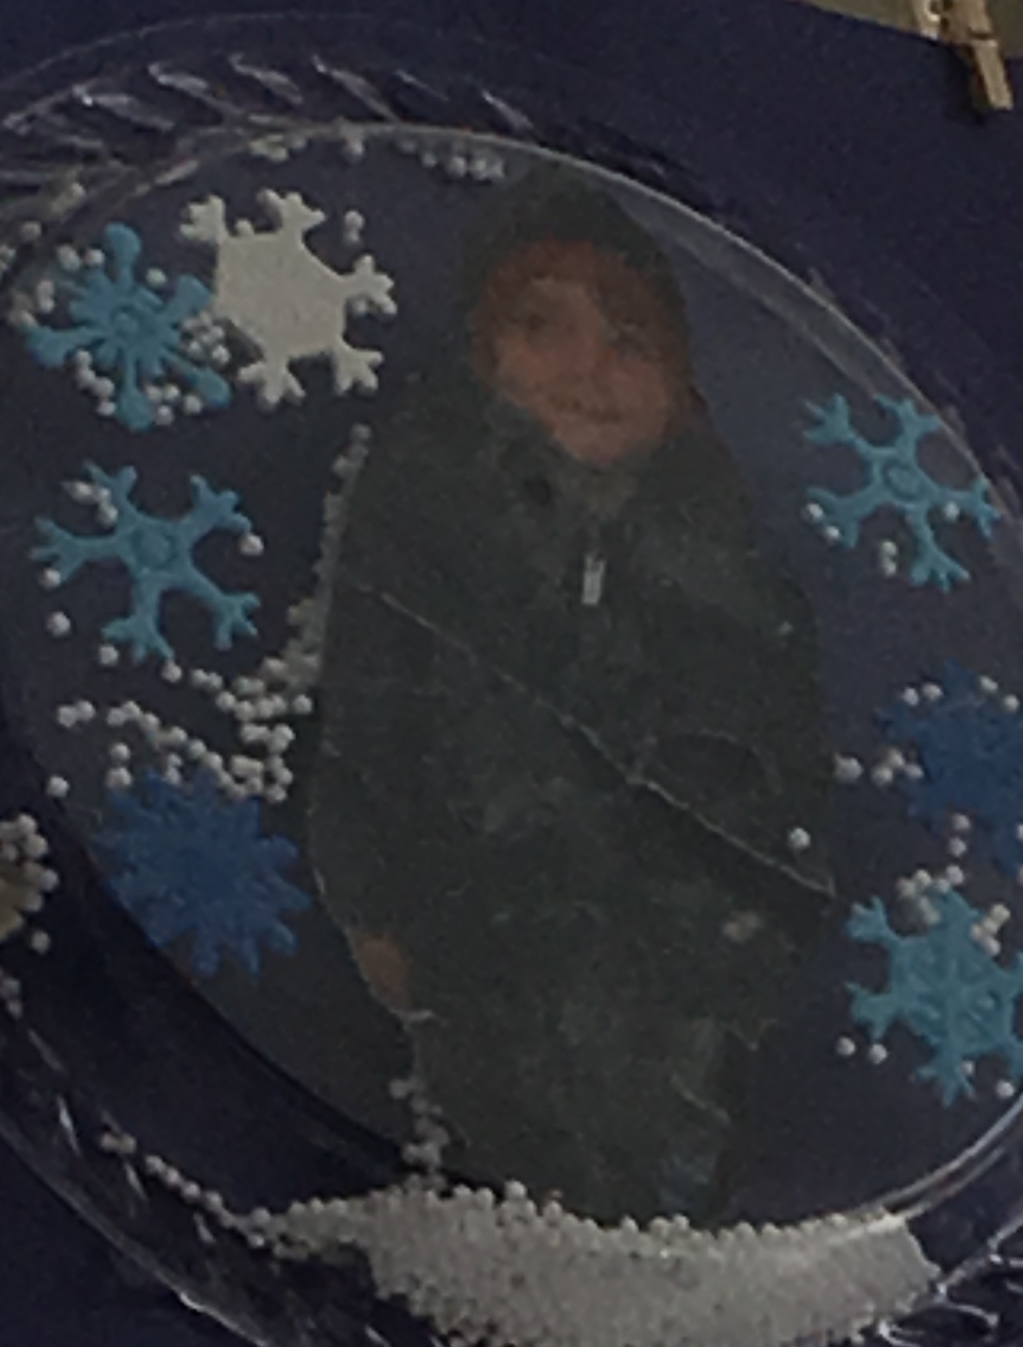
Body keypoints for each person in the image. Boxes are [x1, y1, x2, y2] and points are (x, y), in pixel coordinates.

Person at [304, 175, 834, 1224]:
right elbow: (369, 709)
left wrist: (751, 958)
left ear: (682, 384)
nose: (588, 372)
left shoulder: (730, 570)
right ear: (483, 349)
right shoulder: (425, 512)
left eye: (629, 343)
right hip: (473, 934)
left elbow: (781, 769)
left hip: (672, 976)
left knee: (655, 1171)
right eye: (543, 328)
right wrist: (371, 899)